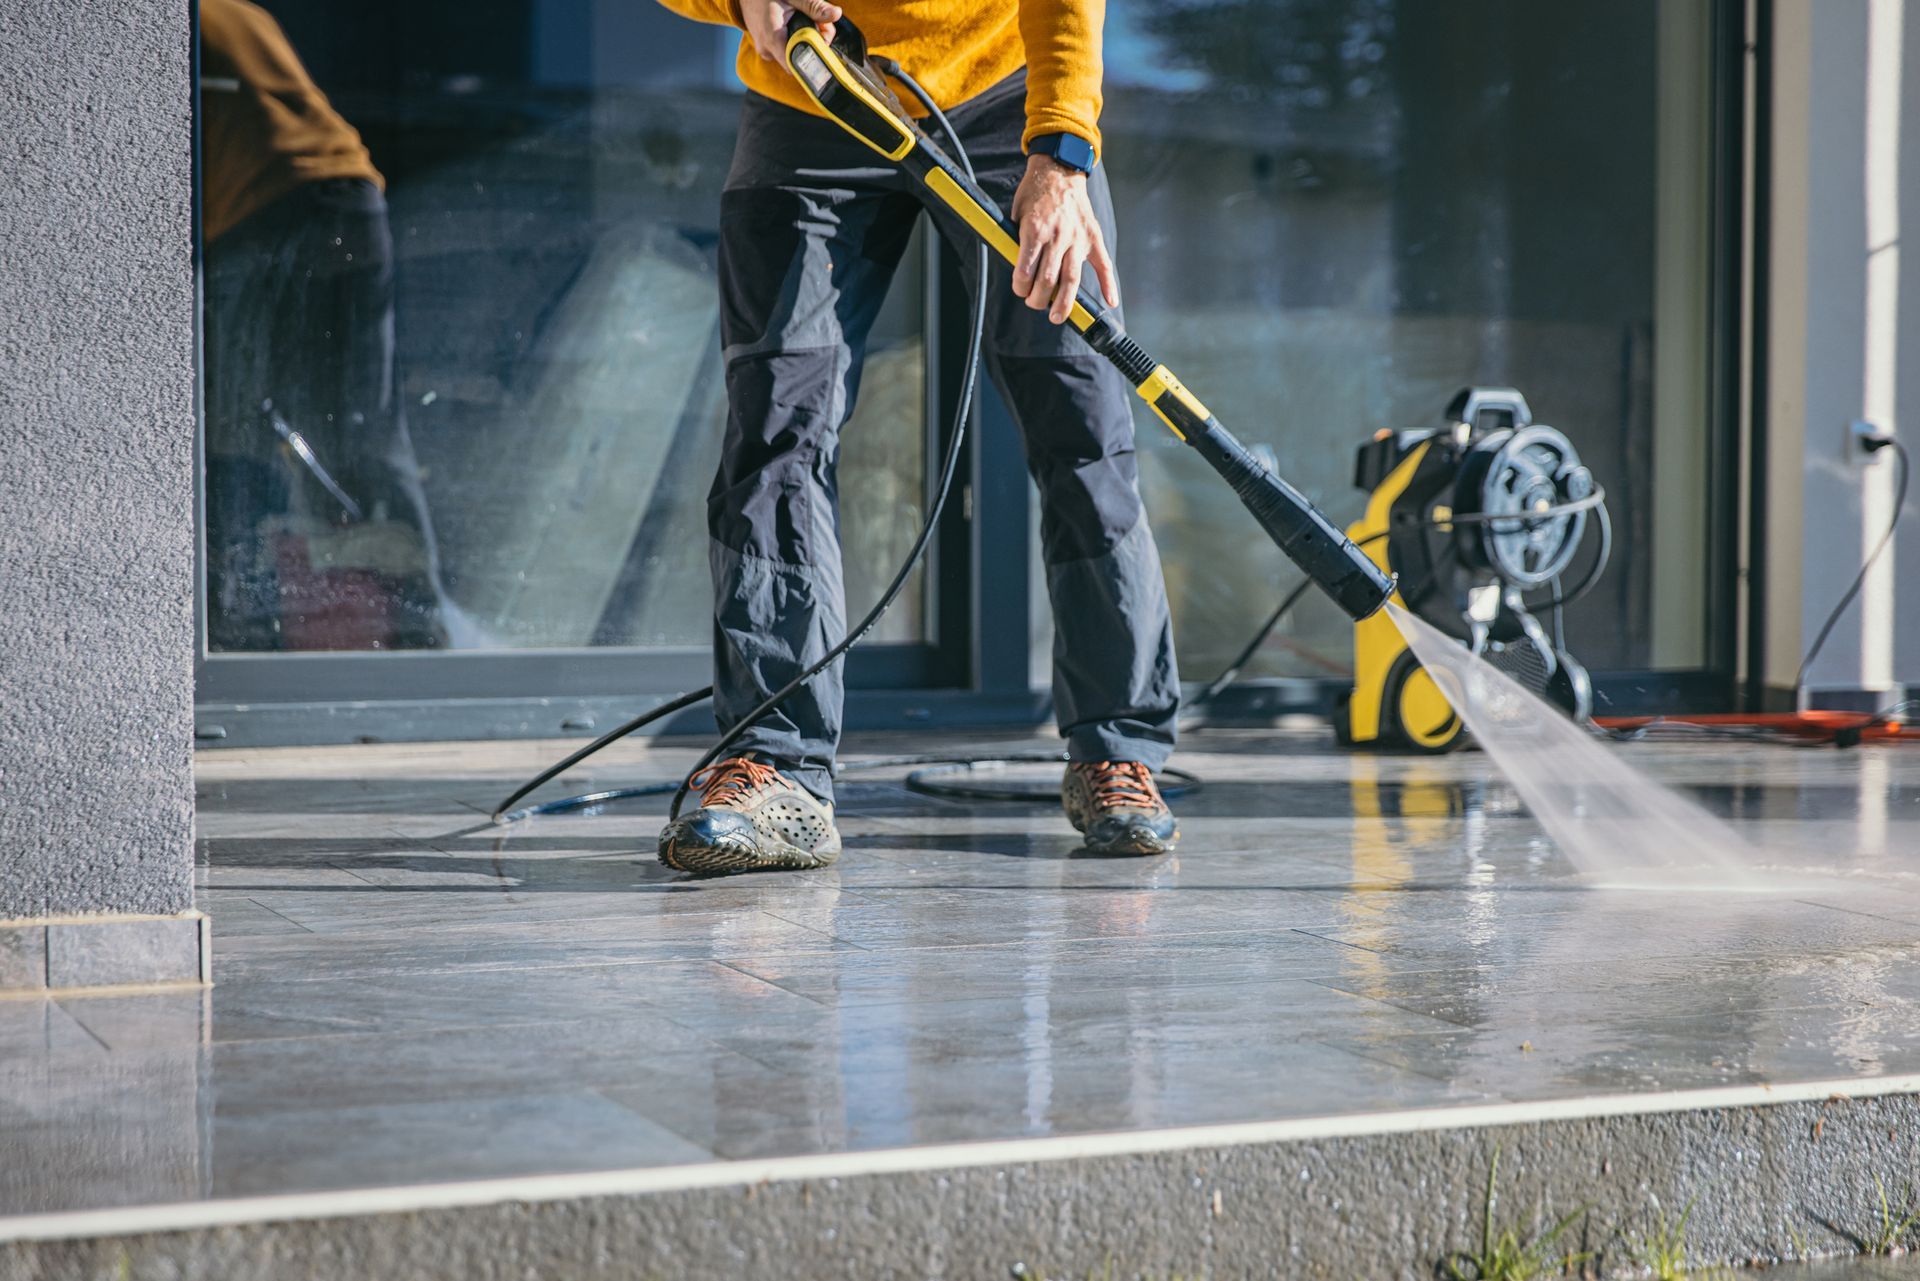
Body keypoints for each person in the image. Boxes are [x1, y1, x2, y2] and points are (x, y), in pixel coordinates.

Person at [655, 0, 1182, 874]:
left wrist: (1062, 153)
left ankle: (1118, 748)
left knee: (1081, 424)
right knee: (777, 429)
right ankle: (778, 765)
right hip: (812, 95)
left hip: (1001, 99)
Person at [200, 0, 445, 651]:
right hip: (352, 201)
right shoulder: (235, 14)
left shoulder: (184, 20)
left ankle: (237, 627)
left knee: (230, 431)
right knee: (367, 430)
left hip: (270, 212)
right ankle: (423, 627)